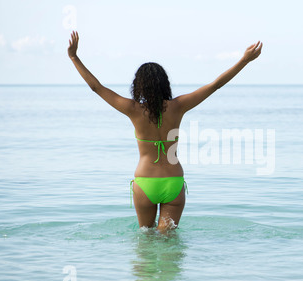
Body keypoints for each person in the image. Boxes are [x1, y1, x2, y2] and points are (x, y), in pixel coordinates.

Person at [68, 31, 263, 232]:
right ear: (164, 83)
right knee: (169, 246)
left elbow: (96, 87)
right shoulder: (178, 106)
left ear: (139, 85)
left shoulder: (133, 110)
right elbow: (215, 85)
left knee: (145, 242)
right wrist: (244, 60)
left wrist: (74, 57)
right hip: (173, 180)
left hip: (145, 182)